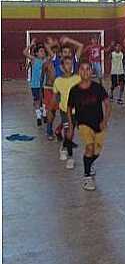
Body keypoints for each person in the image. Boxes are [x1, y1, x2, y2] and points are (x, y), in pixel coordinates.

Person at [67, 61, 111, 190]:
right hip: (83, 124)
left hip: (99, 124)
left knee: (96, 151)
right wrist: (70, 125)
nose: (85, 72)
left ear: (91, 72)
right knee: (89, 147)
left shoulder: (98, 88)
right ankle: (87, 177)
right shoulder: (74, 90)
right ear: (78, 72)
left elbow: (108, 105)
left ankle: (89, 162)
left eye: (88, 69)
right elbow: (69, 108)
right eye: (82, 69)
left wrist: (105, 120)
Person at [53, 56, 82, 168]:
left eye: (71, 64)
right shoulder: (58, 81)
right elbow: (56, 97)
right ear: (61, 67)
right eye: (67, 64)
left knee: (71, 132)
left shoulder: (78, 79)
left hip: (76, 111)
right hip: (64, 110)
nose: (69, 66)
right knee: (69, 132)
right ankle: (70, 158)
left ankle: (64, 146)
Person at [23, 40, 47, 126]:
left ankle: (44, 114)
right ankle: (38, 117)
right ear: (36, 53)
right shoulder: (34, 60)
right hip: (35, 85)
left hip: (44, 85)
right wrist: (31, 45)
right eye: (41, 51)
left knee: (44, 100)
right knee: (37, 100)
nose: (43, 53)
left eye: (44, 51)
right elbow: (25, 52)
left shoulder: (46, 61)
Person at [42, 54, 59, 140]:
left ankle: (58, 130)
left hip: (59, 89)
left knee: (57, 111)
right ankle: (49, 130)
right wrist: (41, 90)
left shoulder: (62, 62)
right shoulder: (46, 63)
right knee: (50, 110)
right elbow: (42, 77)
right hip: (48, 88)